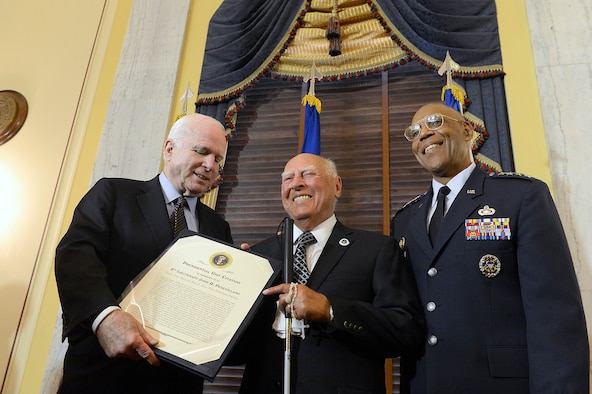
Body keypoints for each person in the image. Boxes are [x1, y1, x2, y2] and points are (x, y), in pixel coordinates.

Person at [391, 102, 589, 393]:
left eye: (434, 122)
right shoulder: (405, 220)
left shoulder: (520, 197)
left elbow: (555, 314)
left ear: (467, 130)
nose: (423, 134)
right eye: (414, 132)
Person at [55, 113, 233, 393]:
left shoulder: (219, 228)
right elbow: (75, 255)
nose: (210, 165)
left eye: (218, 159)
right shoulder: (113, 194)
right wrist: (105, 317)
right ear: (169, 149)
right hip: (105, 375)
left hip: (179, 383)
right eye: (202, 151)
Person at [238, 153, 426, 394]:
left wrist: (330, 310)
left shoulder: (376, 250)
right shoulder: (257, 256)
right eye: (288, 178)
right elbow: (238, 352)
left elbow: (405, 332)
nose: (296, 183)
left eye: (308, 174)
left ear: (337, 186)